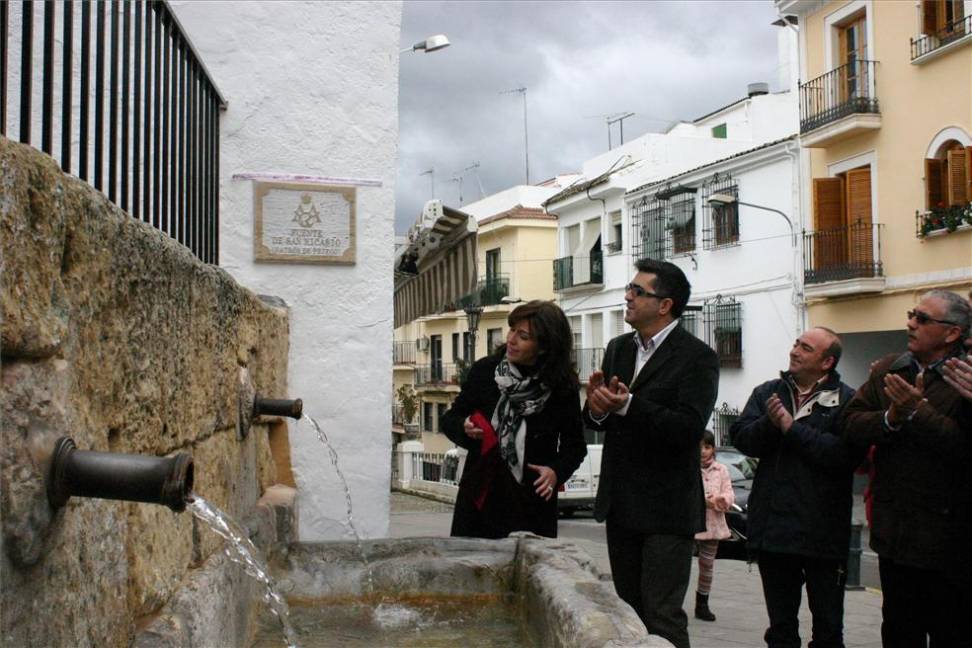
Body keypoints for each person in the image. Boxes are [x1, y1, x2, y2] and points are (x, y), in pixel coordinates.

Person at [584, 259, 719, 648]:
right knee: (627, 612)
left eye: (637, 291)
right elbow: (599, 420)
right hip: (622, 503)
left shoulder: (697, 357)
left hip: (667, 510)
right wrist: (596, 407)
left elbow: (687, 428)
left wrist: (628, 405)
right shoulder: (617, 349)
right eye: (629, 288)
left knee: (662, 615)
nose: (627, 296)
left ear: (665, 305)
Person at [842, 290, 972, 647]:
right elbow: (850, 424)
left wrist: (918, 413)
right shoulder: (890, 369)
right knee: (899, 632)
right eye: (913, 314)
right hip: (895, 534)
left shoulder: (966, 376)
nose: (911, 323)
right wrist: (890, 418)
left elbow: (962, 448)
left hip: (950, 542)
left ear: (952, 334)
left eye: (923, 318)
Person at [731, 326, 859, 648]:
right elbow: (743, 438)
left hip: (823, 535)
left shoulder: (847, 400)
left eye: (805, 348)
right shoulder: (768, 393)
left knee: (829, 629)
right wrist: (770, 424)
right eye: (795, 343)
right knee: (781, 628)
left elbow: (842, 456)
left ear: (827, 362)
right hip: (775, 532)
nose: (794, 351)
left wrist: (792, 428)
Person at [441, 300, 587, 539]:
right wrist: (463, 425)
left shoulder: (561, 387)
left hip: (531, 502)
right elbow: (450, 419)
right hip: (481, 496)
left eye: (523, 336)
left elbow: (575, 447)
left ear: (543, 346)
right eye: (512, 330)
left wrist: (555, 472)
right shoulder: (485, 372)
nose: (511, 339)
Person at [693, 430, 734, 623]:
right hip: (691, 524)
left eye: (707, 447)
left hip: (714, 526)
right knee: (681, 566)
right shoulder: (689, 468)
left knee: (707, 568)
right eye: (700, 447)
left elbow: (729, 494)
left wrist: (721, 500)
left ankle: (702, 604)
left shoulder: (721, 470)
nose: (703, 451)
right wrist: (703, 501)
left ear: (713, 449)